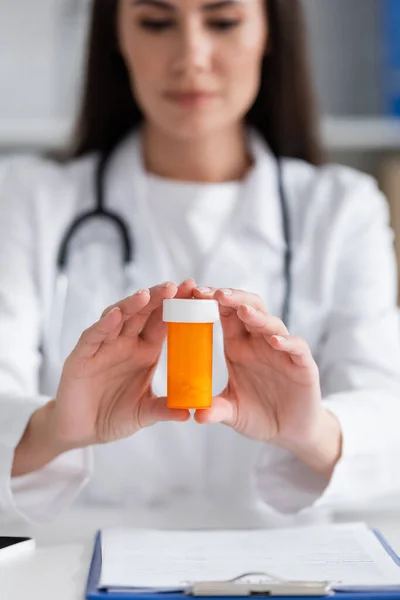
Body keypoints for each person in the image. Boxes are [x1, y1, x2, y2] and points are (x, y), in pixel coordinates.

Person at [1, 0, 400, 526]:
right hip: (79, 559)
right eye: (156, 22)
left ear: (268, 34)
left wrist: (311, 430)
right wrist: (54, 428)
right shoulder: (28, 198)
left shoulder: (340, 209)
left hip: (285, 565)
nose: (191, 56)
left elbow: (388, 426)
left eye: (223, 21)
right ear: (117, 38)